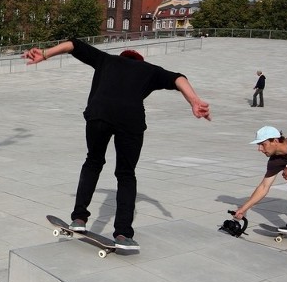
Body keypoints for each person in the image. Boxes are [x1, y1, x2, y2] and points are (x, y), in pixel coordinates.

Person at [22, 38, 211, 249]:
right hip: (130, 121)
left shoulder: (107, 60)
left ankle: (79, 219)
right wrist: (194, 101)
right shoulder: (148, 70)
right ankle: (123, 234)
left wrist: (45, 54)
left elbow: (73, 44)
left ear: (122, 58)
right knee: (126, 174)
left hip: (99, 115)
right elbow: (178, 78)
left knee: (93, 162)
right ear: (140, 61)